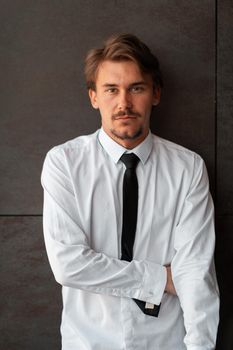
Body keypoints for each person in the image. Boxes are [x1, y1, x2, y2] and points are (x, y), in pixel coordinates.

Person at [41, 34, 219, 349]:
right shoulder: (64, 163)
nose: (123, 103)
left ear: (156, 94)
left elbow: (195, 272)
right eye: (111, 89)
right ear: (94, 97)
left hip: (166, 342)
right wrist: (159, 279)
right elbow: (68, 264)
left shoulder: (188, 168)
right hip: (87, 343)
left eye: (136, 88)